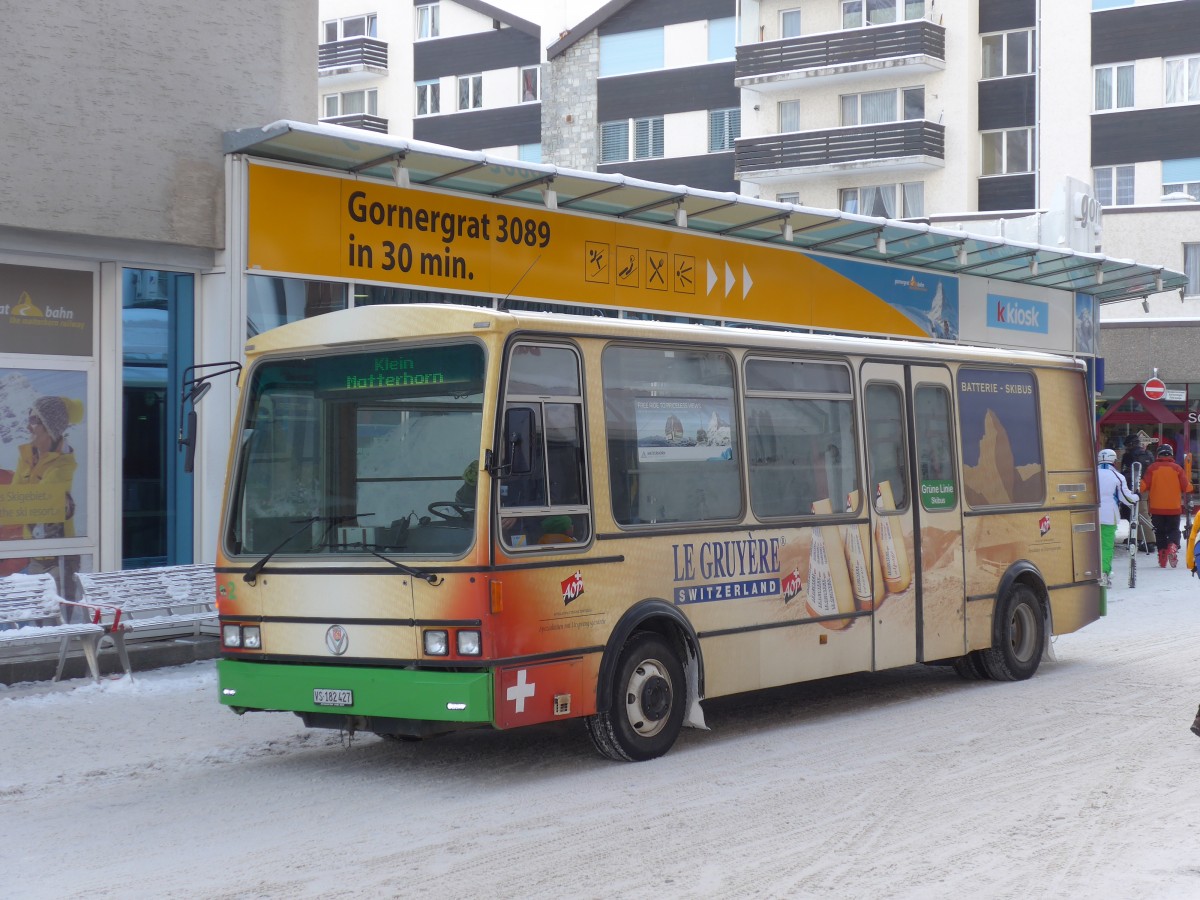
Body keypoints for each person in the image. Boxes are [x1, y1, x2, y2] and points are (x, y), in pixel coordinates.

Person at [14, 396, 84, 539]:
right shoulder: (26, 457)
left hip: (57, 555)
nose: (28, 427)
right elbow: (13, 501)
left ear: (50, 426)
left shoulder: (63, 465)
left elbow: (36, 506)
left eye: (33, 421)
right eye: (29, 419)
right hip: (32, 547)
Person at [1140, 444, 1189, 567]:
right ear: (1171, 454)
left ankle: (1162, 559)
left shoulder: (1152, 468)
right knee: (1174, 530)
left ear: (1158, 454)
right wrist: (1192, 485)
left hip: (1156, 509)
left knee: (1160, 532)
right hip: (1174, 508)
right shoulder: (1177, 469)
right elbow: (1186, 487)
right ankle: (1173, 546)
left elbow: (1143, 485)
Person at [1096, 449, 1138, 587]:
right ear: (1114, 460)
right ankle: (1103, 573)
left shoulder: (1090, 473)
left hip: (1089, 515)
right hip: (1108, 515)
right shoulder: (1117, 476)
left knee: (1091, 545)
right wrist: (1136, 497)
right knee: (1106, 546)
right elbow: (1126, 498)